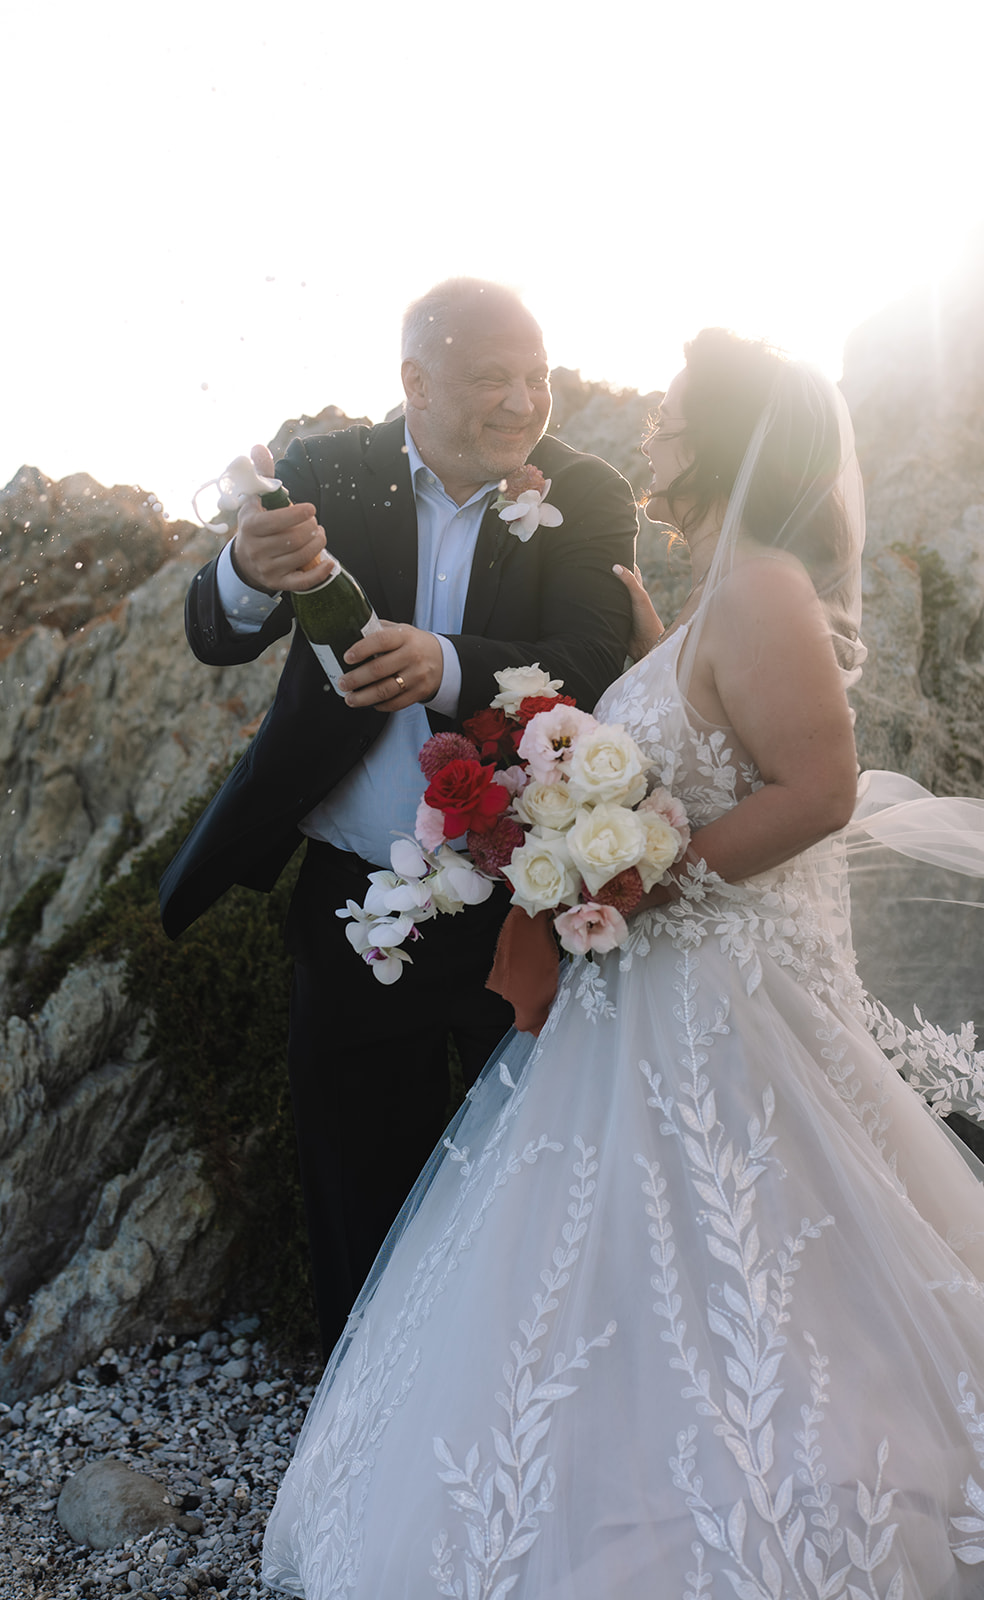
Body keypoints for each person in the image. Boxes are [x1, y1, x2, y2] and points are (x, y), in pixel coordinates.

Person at [261, 330, 984, 1598]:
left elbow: (818, 789)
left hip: (718, 1001)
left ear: (729, 441)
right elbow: (687, 738)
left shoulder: (761, 591)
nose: (653, 433)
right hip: (647, 996)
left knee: (762, 1268)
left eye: (675, 417)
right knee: (638, 1277)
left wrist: (632, 877)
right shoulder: (714, 599)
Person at [158, 279, 638, 1357]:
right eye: (491, 379)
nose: (522, 402)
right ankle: (357, 1434)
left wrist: (447, 665)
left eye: (536, 378)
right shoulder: (326, 471)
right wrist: (244, 571)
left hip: (524, 902)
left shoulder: (585, 490)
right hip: (351, 903)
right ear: (414, 382)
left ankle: (520, 1412)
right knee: (355, 1197)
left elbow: (592, 656)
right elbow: (216, 634)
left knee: (534, 1195)